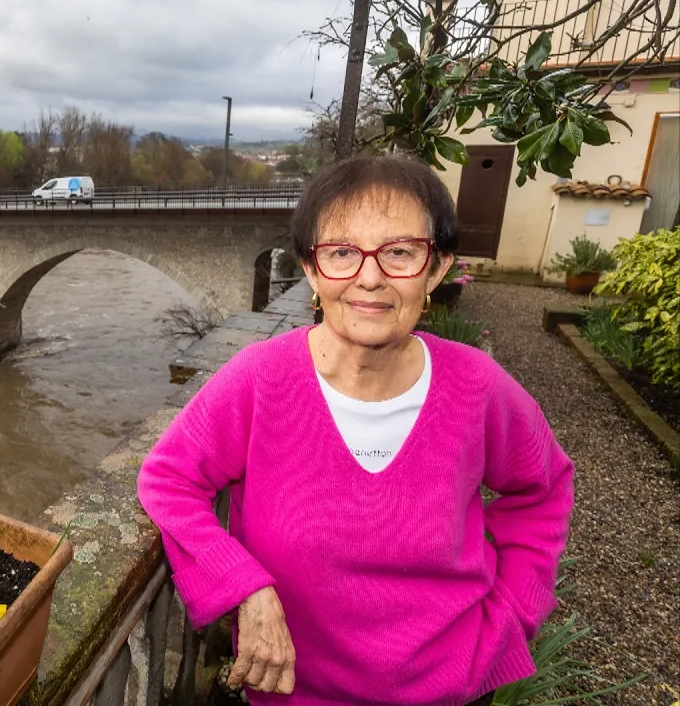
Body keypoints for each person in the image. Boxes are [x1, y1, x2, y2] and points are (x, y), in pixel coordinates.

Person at [136, 155, 574, 705]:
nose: (370, 277)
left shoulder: (477, 388)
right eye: (342, 252)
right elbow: (169, 480)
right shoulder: (260, 379)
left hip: (449, 689)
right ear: (312, 270)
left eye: (399, 253)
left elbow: (544, 487)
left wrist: (517, 611)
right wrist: (244, 586)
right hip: (293, 691)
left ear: (436, 269)